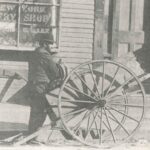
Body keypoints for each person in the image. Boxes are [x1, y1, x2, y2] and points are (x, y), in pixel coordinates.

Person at [27, 33, 62, 135]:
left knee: (36, 111)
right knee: (40, 111)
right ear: (45, 44)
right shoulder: (44, 54)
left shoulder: (35, 52)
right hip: (41, 86)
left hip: (33, 85)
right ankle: (33, 136)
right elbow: (55, 72)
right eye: (51, 44)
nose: (52, 47)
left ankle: (33, 134)